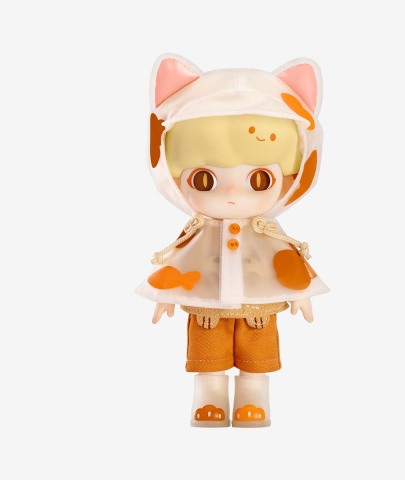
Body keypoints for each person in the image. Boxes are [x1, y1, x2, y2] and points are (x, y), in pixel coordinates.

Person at [136, 53, 329, 427]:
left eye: (259, 180)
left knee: (258, 355)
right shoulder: (198, 230)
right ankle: (209, 394)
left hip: (259, 309)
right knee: (207, 354)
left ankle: (253, 395)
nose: (231, 194)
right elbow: (179, 259)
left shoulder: (267, 231)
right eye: (204, 179)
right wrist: (166, 295)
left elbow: (286, 257)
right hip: (207, 308)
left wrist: (300, 292)